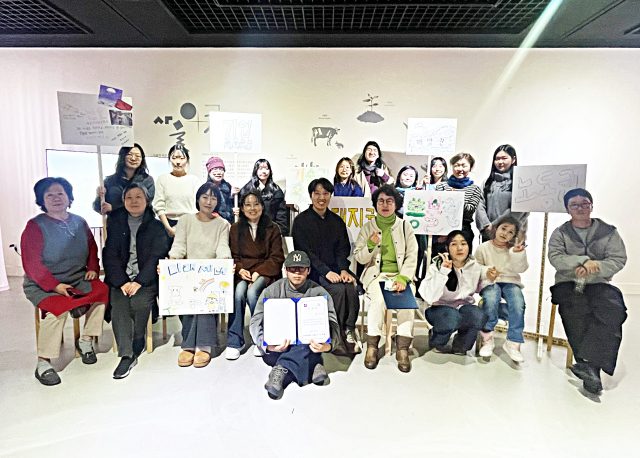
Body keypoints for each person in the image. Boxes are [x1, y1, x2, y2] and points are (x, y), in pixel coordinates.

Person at [21, 177, 109, 386]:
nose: (56, 198)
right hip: (44, 284)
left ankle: (86, 340)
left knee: (102, 291)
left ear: (69, 197)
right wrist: (55, 285)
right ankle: (44, 362)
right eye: (49, 194)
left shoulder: (79, 222)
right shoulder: (35, 226)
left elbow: (92, 247)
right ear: (42, 200)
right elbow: (31, 263)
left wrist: (92, 268)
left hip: (77, 278)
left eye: (60, 193)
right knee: (57, 308)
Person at [548, 189, 627, 394]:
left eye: (584, 203)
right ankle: (590, 366)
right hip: (568, 282)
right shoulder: (560, 232)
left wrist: (596, 266)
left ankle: (589, 366)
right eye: (574, 205)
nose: (580, 208)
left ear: (592, 205)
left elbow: (618, 259)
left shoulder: (608, 231)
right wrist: (582, 262)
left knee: (614, 310)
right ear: (567, 209)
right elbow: (555, 257)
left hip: (598, 282)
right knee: (575, 310)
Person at [250, 251, 340, 400]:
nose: (297, 272)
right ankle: (313, 364)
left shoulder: (319, 293)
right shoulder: (272, 291)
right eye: (292, 268)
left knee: (303, 337)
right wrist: (267, 346)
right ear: (285, 270)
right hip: (279, 344)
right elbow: (255, 322)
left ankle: (281, 368)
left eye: (301, 268)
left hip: (308, 344)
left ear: (308, 270)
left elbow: (333, 324)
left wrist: (328, 346)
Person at [102, 183, 170, 379]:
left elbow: (157, 255)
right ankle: (127, 354)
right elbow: (110, 256)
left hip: (145, 279)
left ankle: (138, 338)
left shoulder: (156, 226)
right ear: (123, 201)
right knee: (120, 304)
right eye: (129, 197)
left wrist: (139, 281)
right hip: (121, 279)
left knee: (140, 302)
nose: (134, 201)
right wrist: (123, 282)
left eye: (138, 197)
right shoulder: (116, 224)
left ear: (146, 200)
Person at [353, 185, 418, 372]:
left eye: (390, 201)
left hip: (401, 276)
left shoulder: (405, 227)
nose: (385, 205)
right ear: (375, 204)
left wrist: (403, 278)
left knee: (406, 303)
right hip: (376, 276)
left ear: (396, 204)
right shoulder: (368, 227)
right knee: (378, 301)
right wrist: (370, 245)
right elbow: (359, 258)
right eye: (381, 201)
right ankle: (372, 346)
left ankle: (403, 349)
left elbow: (412, 255)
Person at [292, 178, 360, 355]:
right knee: (338, 290)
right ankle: (333, 336)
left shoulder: (336, 221)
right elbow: (305, 252)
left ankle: (348, 331)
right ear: (311, 196)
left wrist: (343, 269)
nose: (321, 198)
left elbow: (342, 249)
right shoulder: (301, 221)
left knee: (351, 287)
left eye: (326, 193)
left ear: (330, 196)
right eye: (317, 193)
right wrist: (326, 272)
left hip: (336, 270)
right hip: (313, 272)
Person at [169, 182, 231, 368]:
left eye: (213, 198)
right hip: (188, 272)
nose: (209, 201)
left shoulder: (221, 224)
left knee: (208, 297)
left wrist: (225, 262)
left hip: (210, 273)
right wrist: (171, 261)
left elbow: (222, 247)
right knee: (186, 296)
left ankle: (204, 346)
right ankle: (188, 345)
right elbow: (179, 245)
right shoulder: (185, 220)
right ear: (198, 199)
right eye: (205, 197)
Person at [226, 190, 285, 360]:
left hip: (265, 272)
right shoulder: (235, 228)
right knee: (238, 293)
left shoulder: (273, 228)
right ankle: (234, 341)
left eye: (256, 204)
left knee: (253, 293)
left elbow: (277, 257)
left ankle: (261, 337)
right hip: (243, 272)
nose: (252, 208)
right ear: (242, 208)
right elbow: (234, 256)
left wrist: (259, 272)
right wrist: (240, 269)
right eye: (248, 205)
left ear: (262, 206)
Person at [419, 230, 498, 355]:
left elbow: (479, 288)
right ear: (447, 248)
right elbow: (429, 296)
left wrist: (489, 278)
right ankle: (437, 341)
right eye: (454, 244)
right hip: (439, 310)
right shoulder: (437, 266)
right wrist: (443, 272)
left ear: (469, 246)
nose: (459, 248)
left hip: (463, 308)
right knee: (451, 317)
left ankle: (461, 345)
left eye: (463, 244)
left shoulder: (475, 266)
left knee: (478, 315)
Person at [474, 216, 529, 362]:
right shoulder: (483, 248)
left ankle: (513, 342)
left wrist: (518, 254)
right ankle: (487, 338)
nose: (505, 233)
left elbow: (521, 268)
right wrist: (486, 271)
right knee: (491, 299)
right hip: (491, 281)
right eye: (503, 228)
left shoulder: (513, 249)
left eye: (510, 232)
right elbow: (475, 267)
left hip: (511, 281)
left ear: (514, 236)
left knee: (518, 303)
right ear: (495, 228)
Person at [476, 145, 529, 242]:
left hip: (511, 235)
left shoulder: (520, 183)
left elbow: (518, 209)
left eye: (504, 158)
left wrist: (496, 226)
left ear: (513, 159)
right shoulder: (487, 182)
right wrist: (486, 226)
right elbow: (480, 204)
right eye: (497, 159)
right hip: (488, 234)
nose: (500, 162)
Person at [435, 152, 483, 251]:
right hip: (442, 229)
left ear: (470, 168)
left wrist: (455, 199)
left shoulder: (475, 189)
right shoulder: (441, 186)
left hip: (463, 229)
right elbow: (437, 208)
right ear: (452, 167)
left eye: (464, 166)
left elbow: (469, 211)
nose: (460, 169)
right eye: (457, 165)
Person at [152, 144, 202, 238]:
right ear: (169, 159)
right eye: (174, 158)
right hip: (168, 225)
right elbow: (158, 206)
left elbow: (199, 206)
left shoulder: (194, 180)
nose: (178, 162)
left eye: (182, 158)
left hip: (190, 225)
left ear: (187, 160)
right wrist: (169, 229)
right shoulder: (162, 179)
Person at [93, 143, 155, 216]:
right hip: (115, 222)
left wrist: (114, 208)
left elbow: (144, 204)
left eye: (137, 156)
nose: (133, 158)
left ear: (142, 159)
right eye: (129, 154)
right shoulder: (110, 181)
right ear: (122, 156)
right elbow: (98, 207)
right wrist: (99, 196)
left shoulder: (147, 180)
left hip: (140, 222)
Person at [239, 159, 289, 236]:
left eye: (266, 168)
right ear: (256, 170)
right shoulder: (247, 189)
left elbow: (281, 215)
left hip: (270, 232)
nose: (264, 171)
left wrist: (280, 232)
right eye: (260, 168)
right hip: (250, 231)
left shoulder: (276, 190)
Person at [206, 156, 239, 225]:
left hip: (230, 224)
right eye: (215, 169)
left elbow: (231, 206)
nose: (218, 172)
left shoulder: (228, 187)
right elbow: (207, 211)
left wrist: (236, 211)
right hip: (214, 225)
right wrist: (223, 222)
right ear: (209, 172)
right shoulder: (206, 189)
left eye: (221, 169)